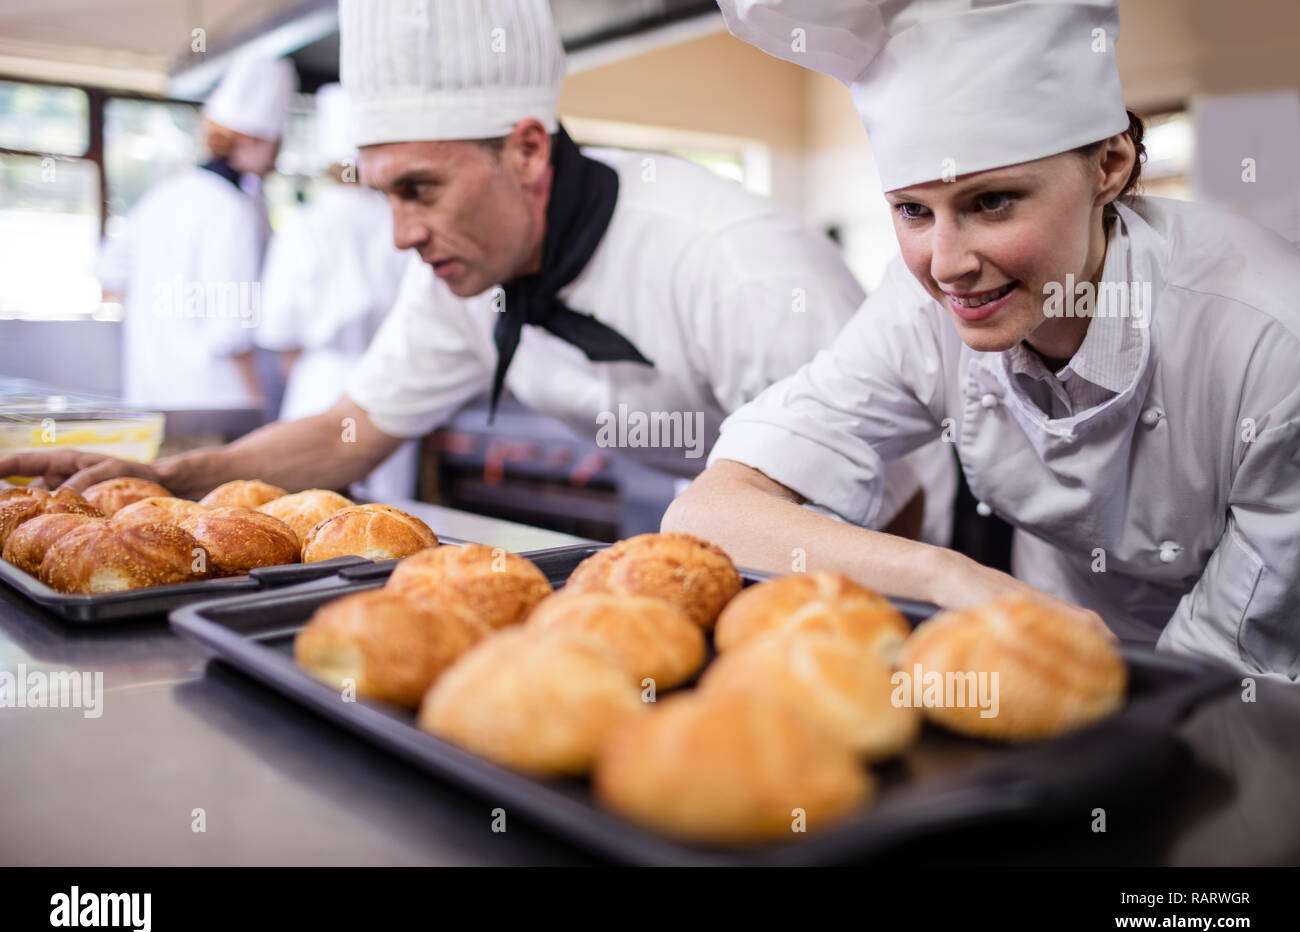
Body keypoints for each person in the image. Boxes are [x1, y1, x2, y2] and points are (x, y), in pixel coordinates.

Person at [2, 0, 952, 542]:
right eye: (382, 195)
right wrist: (168, 478)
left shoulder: (733, 269)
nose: (400, 235)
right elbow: (348, 435)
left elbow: (896, 498)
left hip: (878, 537)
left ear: (529, 151)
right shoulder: (461, 278)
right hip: (719, 523)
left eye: (419, 188)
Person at [663, 0, 1300, 679]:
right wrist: (946, 577)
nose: (946, 265)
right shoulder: (917, 311)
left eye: (991, 202)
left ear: (1109, 166)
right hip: (1047, 642)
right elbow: (706, 515)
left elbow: (1229, 667)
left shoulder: (1269, 342)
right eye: (913, 210)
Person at [97, 56, 298, 410]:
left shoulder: (164, 193)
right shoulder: (233, 210)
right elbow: (232, 332)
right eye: (274, 145)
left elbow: (110, 278)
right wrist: (258, 409)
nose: (275, 160)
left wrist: (166, 324)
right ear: (252, 140)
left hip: (150, 391)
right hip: (216, 398)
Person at [255, 83, 417, 501]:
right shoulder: (401, 220)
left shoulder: (304, 224)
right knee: (389, 521)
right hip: (394, 383)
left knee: (307, 516)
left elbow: (280, 329)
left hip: (318, 383)